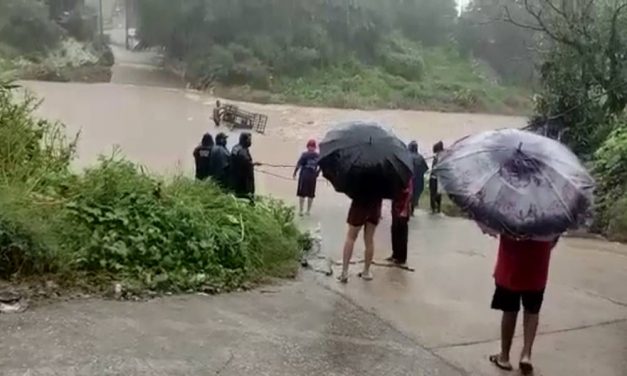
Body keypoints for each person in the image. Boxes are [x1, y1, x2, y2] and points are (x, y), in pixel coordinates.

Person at [489, 235, 559, 375]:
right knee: (532, 310)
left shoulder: (510, 213)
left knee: (509, 310)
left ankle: (504, 357)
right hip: (538, 262)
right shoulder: (547, 215)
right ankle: (526, 354)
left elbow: (498, 225)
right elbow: (554, 235)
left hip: (511, 261)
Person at [338, 197, 383, 283]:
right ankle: (366, 272)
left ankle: (344, 272)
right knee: (369, 239)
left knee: (351, 237)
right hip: (375, 205)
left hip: (359, 203)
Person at [387, 179, 413, 265]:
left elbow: (409, 194)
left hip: (403, 209)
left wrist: (405, 210)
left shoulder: (408, 178)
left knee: (401, 233)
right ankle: (395, 254)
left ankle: (401, 258)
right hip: (396, 207)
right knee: (394, 231)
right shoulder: (397, 178)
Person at [293, 139, 320, 216]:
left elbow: (299, 164)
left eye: (312, 147)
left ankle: (304, 210)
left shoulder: (304, 155)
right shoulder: (317, 156)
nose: (311, 148)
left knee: (304, 193)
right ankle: (305, 211)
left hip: (305, 175)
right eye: (310, 146)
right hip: (311, 176)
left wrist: (295, 172)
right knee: (309, 194)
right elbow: (321, 165)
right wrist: (317, 172)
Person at [230, 132, 257, 200]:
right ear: (245, 140)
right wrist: (253, 164)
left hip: (234, 179)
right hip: (243, 181)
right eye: (249, 140)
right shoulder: (243, 151)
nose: (250, 142)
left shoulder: (235, 148)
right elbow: (246, 163)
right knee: (245, 199)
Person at [408, 141, 429, 216]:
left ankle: (408, 210)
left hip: (409, 180)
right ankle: (412, 210)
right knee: (415, 195)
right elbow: (426, 168)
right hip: (419, 180)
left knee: (408, 196)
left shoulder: (407, 156)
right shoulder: (420, 157)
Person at [429, 141, 444, 214]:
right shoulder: (443, 156)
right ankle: (438, 208)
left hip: (434, 178)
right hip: (440, 179)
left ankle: (433, 209)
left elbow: (434, 168)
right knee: (439, 193)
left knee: (433, 193)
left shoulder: (437, 158)